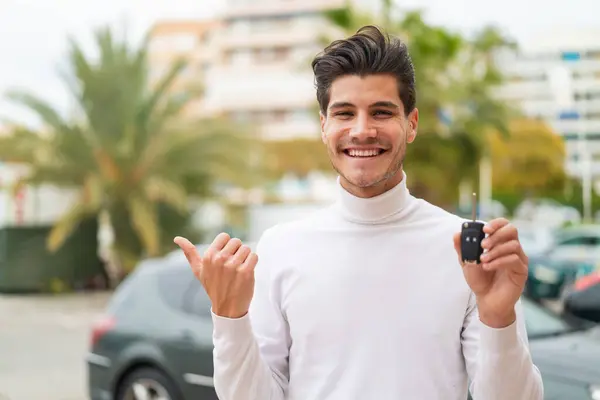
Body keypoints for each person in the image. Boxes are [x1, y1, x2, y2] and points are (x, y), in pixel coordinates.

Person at [174, 25, 544, 400]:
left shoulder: (470, 255)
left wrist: (499, 316)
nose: (362, 130)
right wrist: (228, 316)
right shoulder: (281, 246)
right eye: (345, 113)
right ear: (324, 126)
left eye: (381, 112)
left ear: (411, 124)